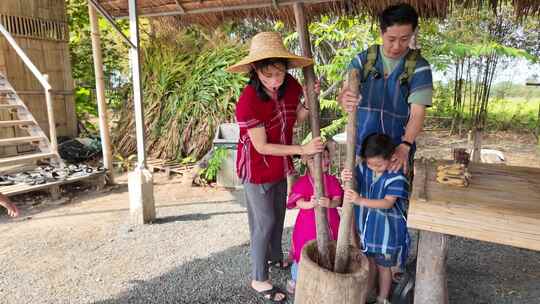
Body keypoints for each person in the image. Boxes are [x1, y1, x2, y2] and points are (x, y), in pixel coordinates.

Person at [227, 31, 324, 303]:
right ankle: (259, 279)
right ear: (255, 71)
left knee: (278, 214)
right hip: (256, 170)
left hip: (280, 166)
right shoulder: (247, 101)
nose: (274, 81)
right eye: (267, 75)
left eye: (279, 73)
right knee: (264, 222)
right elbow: (262, 147)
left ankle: (274, 258)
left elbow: (298, 117)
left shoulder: (291, 85)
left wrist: (307, 100)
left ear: (285, 67)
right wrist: (302, 150)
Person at [338, 3, 433, 175]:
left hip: (396, 151)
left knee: (393, 197)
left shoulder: (419, 67)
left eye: (405, 39)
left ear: (413, 34)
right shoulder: (364, 60)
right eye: (391, 39)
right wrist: (345, 98)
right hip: (362, 150)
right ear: (381, 33)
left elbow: (417, 113)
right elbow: (345, 93)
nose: (397, 46)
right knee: (359, 196)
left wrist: (405, 146)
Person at [341, 133, 409, 304]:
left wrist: (360, 200)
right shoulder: (364, 168)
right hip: (368, 231)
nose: (373, 168)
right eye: (370, 164)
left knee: (384, 267)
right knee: (369, 263)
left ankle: (382, 298)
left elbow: (388, 203)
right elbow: (353, 180)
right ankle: (368, 293)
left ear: (392, 157)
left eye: (378, 164)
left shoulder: (396, 176)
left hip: (386, 233)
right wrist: (346, 177)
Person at [285, 142, 342, 294]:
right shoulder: (303, 182)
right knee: (303, 254)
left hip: (331, 224)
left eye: (327, 157)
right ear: (309, 161)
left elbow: (338, 199)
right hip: (307, 227)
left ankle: (325, 278)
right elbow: (297, 202)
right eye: (322, 157)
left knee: (329, 251)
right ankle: (297, 279)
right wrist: (309, 204)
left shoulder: (332, 180)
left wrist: (330, 203)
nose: (327, 160)